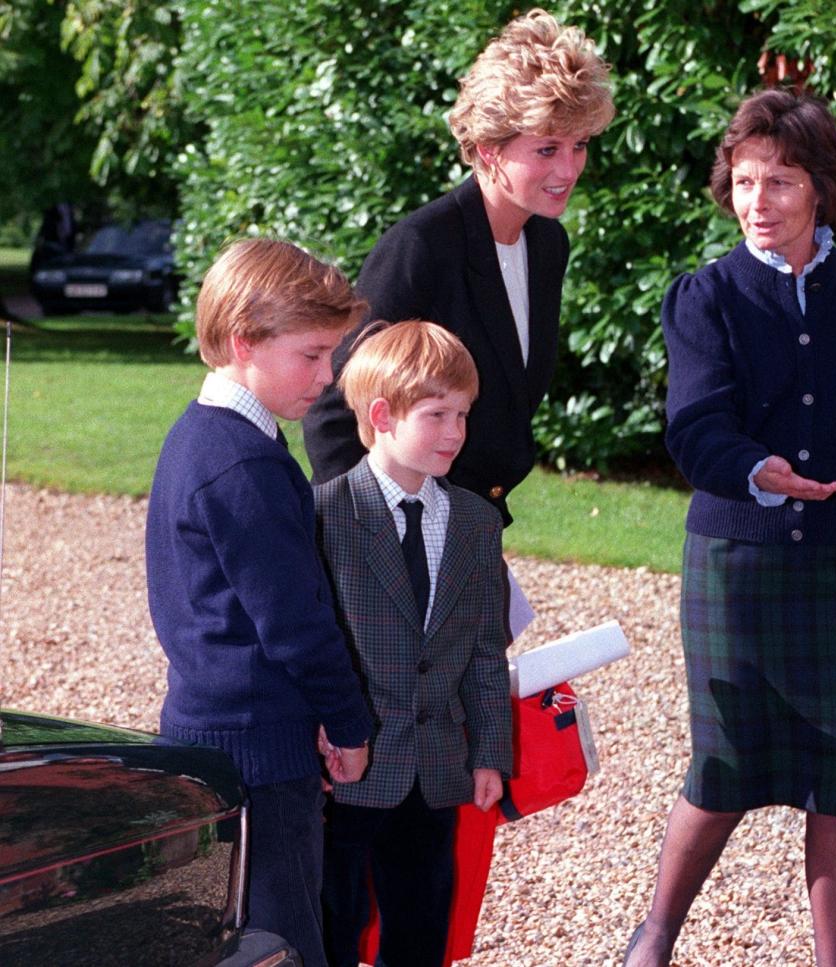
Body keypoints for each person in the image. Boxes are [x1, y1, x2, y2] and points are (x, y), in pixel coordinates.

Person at [622, 88, 836, 967]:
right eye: (743, 181)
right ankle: (654, 935)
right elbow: (694, 426)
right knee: (724, 763)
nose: (757, 202)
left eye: (778, 182)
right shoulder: (706, 296)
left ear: (820, 190)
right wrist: (754, 470)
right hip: (737, 559)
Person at [145, 238, 373, 967]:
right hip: (258, 753)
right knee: (280, 944)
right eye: (311, 354)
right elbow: (297, 622)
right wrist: (348, 721)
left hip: (209, 729)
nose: (329, 375)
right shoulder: (242, 460)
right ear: (243, 342)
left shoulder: (200, 436)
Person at [303, 7, 614, 527]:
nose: (569, 168)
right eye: (547, 148)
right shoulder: (420, 246)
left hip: (474, 522)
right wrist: (374, 540)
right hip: (395, 530)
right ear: (488, 151)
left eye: (579, 145)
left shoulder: (547, 244)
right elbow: (336, 414)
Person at [314, 320, 513, 967]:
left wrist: (488, 749)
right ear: (382, 415)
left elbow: (484, 650)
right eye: (437, 414)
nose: (456, 432)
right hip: (348, 769)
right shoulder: (327, 514)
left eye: (463, 414)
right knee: (333, 921)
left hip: (434, 771)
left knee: (422, 925)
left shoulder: (477, 522)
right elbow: (312, 642)